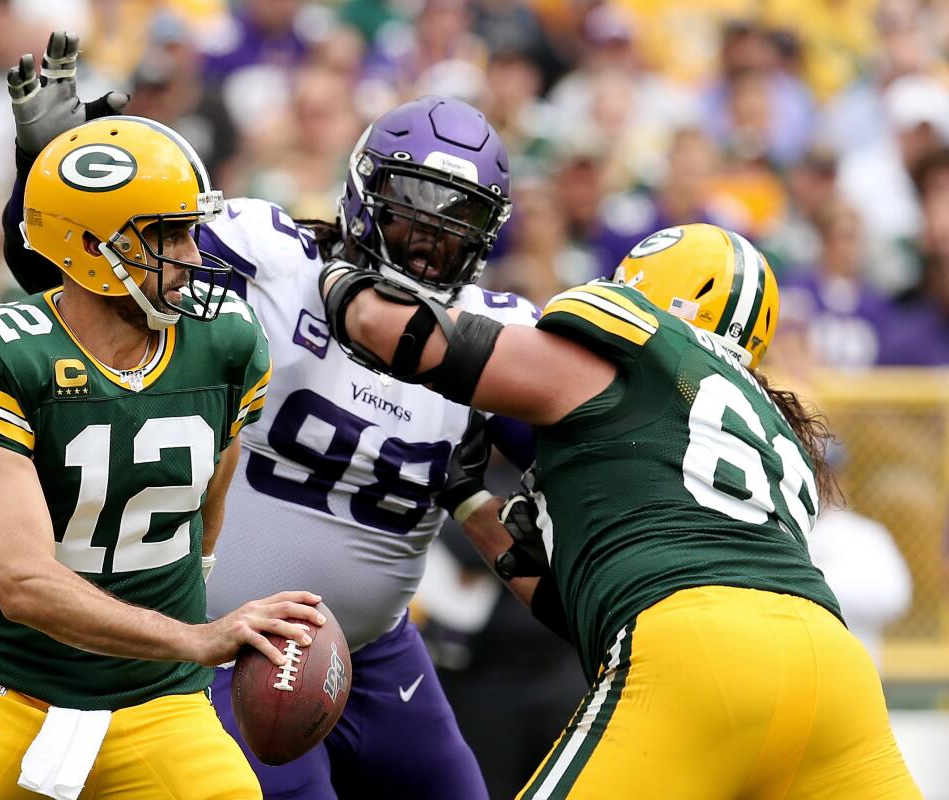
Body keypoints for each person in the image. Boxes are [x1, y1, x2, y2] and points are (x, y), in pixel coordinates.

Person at [0, 32, 539, 800]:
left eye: (453, 230)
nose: (427, 251)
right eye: (413, 218)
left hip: (377, 649)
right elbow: (62, 270)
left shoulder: (494, 334)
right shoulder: (274, 260)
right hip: (228, 643)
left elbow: (584, 445)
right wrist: (53, 175)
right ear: (362, 197)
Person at [320, 223, 921, 798]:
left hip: (699, 651)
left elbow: (401, 332)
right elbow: (578, 605)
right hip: (835, 669)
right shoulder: (773, 429)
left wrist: (330, 277)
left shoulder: (636, 353)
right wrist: (472, 499)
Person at [0, 38, 324, 800]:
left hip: (158, 702)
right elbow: (21, 581)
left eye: (189, 230)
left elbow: (210, 502)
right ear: (87, 248)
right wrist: (195, 636)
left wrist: (183, 623)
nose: (191, 254)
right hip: (9, 688)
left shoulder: (225, 342)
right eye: (166, 235)